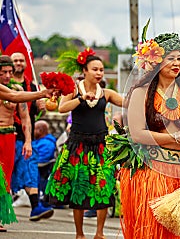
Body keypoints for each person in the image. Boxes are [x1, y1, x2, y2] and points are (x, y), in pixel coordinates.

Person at [122, 32, 180, 238]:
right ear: (156, 62)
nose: (176, 63)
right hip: (150, 173)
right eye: (170, 58)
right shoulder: (141, 92)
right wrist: (175, 137)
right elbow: (137, 134)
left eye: (179, 58)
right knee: (151, 231)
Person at [45, 48, 123, 239]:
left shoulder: (107, 93)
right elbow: (62, 108)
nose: (99, 73)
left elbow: (128, 102)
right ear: (85, 71)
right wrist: (81, 99)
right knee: (78, 189)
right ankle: (79, 234)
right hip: (77, 146)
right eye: (95, 69)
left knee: (103, 188)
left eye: (101, 70)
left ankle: (99, 233)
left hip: (101, 145)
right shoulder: (73, 90)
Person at [10, 52, 54, 221]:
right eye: (16, 60)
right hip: (7, 134)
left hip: (25, 136)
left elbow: (31, 113)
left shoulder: (32, 86)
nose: (19, 63)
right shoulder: (4, 84)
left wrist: (40, 104)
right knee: (7, 175)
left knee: (30, 169)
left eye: (21, 60)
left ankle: (36, 206)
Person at [32, 120, 57, 205]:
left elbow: (42, 160)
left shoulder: (47, 143)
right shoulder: (37, 141)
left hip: (42, 171)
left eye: (34, 129)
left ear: (40, 130)